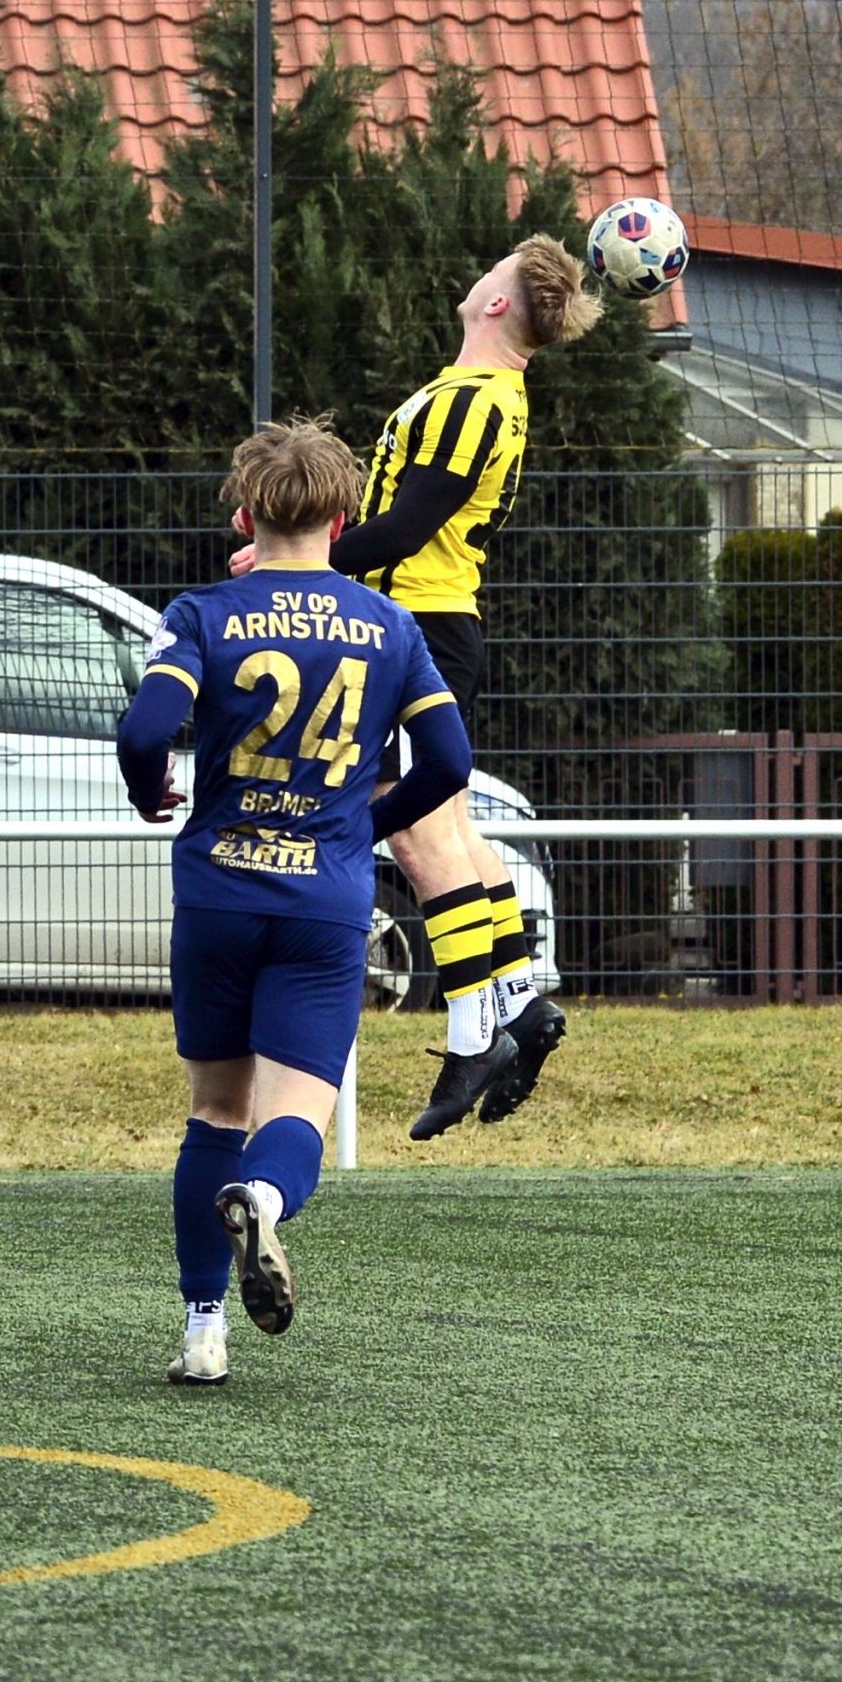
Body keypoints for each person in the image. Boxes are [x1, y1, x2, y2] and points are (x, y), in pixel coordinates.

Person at [119, 418, 473, 1386]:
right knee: (296, 1119)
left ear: (244, 516)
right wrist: (363, 824)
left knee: (214, 1110)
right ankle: (267, 1203)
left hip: (218, 892)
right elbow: (448, 761)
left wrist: (147, 791)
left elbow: (146, 729)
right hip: (324, 899)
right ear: (342, 520)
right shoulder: (389, 625)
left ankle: (203, 1330)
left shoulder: (203, 611)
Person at [231, 236, 603, 1140]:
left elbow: (405, 530)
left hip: (419, 628)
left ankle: (475, 1033)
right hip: (435, 626)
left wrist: (296, 560)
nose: (479, 276)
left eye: (494, 270)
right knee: (454, 830)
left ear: (499, 303)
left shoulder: (477, 400)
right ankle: (521, 1001)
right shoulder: (481, 391)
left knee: (412, 828)